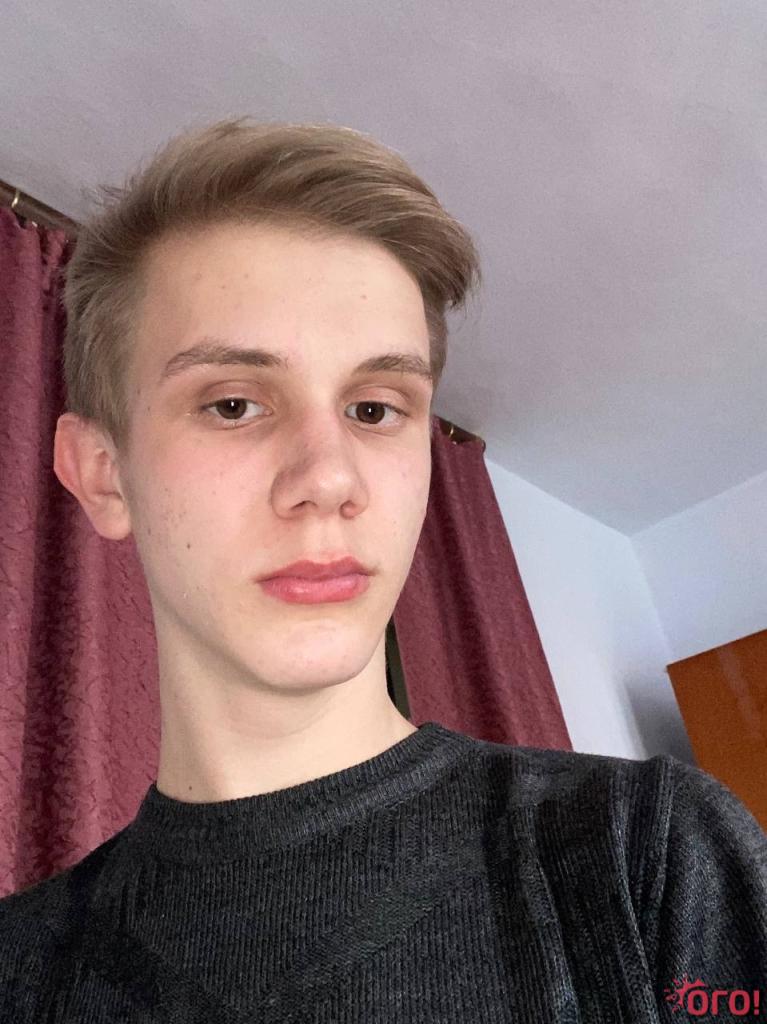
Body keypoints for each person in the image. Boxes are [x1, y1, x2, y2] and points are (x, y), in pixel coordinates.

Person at [1, 117, 765, 1023]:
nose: (329, 479)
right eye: (234, 404)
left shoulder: (645, 853)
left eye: (373, 409)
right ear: (102, 474)